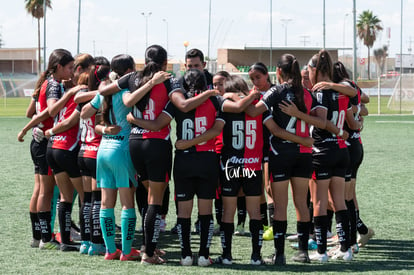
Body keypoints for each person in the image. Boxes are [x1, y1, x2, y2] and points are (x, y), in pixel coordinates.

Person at [279, 49, 361, 263]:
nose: (307, 73)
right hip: (341, 149)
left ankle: (322, 252)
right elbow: (355, 94)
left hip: (323, 150)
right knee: (340, 201)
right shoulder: (342, 90)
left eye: (308, 70)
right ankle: (346, 248)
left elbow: (322, 121)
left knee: (319, 202)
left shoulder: (320, 92)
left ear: (315, 70)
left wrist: (298, 114)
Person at [332, 61, 374, 250]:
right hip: (355, 145)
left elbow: (360, 106)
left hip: (347, 145)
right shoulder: (350, 88)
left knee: (341, 196)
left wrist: (356, 114)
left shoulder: (343, 89)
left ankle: (352, 235)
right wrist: (358, 110)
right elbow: (364, 102)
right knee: (348, 194)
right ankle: (355, 231)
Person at [75, 57, 110, 256]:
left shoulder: (84, 97)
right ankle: (97, 242)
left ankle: (86, 241)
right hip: (96, 151)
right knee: (98, 200)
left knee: (86, 200)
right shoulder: (102, 98)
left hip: (83, 151)